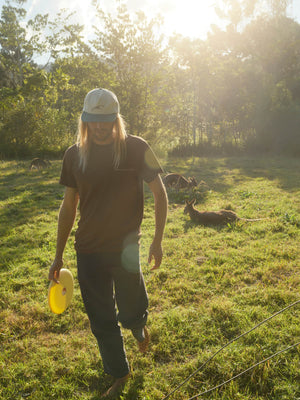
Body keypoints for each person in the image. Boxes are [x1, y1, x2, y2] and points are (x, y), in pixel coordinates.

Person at [48, 88, 168, 398]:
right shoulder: (73, 155)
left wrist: (157, 241)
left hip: (126, 246)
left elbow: (160, 193)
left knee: (131, 302)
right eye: (93, 121)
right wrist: (58, 255)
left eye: (106, 121)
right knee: (100, 318)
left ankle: (138, 324)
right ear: (85, 121)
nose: (100, 127)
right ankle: (120, 372)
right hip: (88, 249)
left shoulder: (137, 148)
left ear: (116, 119)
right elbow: (68, 206)